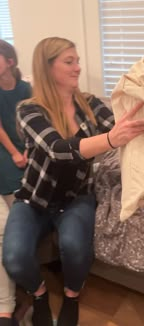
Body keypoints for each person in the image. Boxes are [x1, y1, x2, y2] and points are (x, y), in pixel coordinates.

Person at [2, 36, 144, 326]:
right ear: (47, 68)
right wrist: (110, 139)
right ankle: (39, 293)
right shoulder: (28, 109)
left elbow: (122, 130)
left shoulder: (91, 104)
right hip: (34, 198)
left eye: (78, 61)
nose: (78, 68)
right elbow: (58, 150)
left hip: (75, 198)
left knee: (75, 247)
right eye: (69, 62)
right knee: (14, 257)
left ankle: (72, 294)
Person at [0, 39, 31, 326]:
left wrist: (28, 152)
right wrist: (13, 153)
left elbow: (37, 123)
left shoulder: (26, 90)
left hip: (27, 153)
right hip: (6, 154)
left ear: (9, 60)